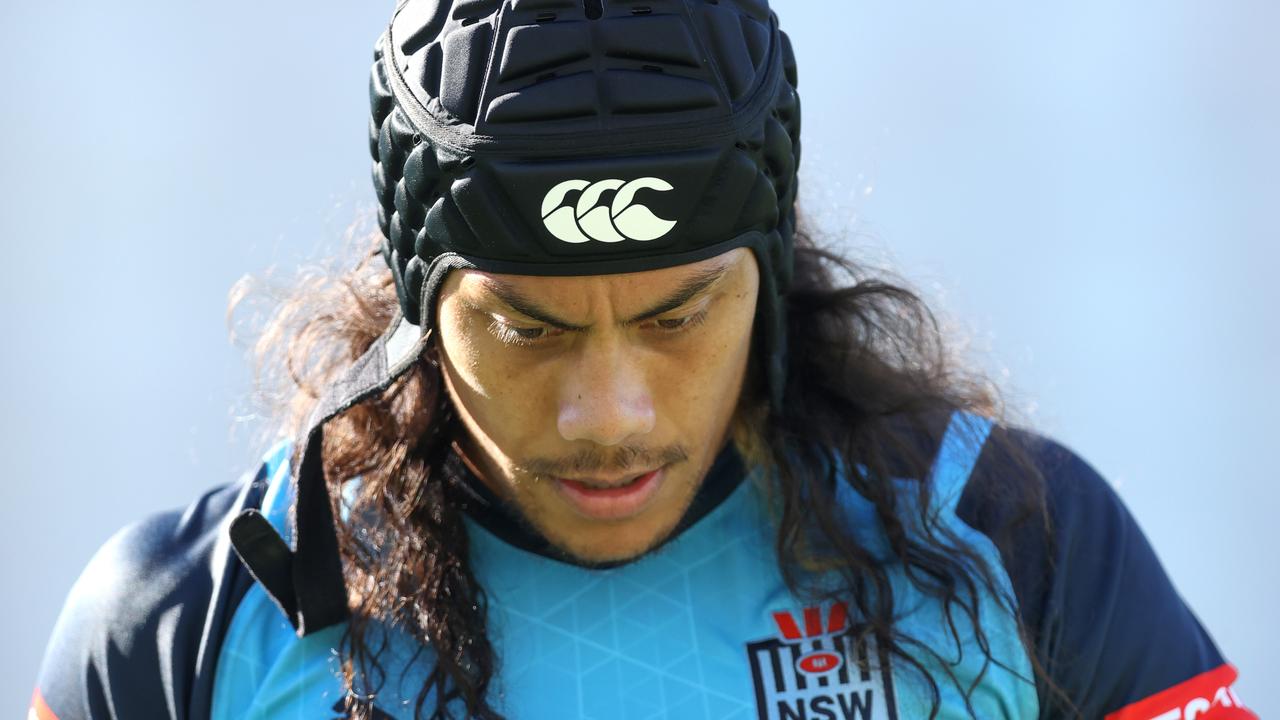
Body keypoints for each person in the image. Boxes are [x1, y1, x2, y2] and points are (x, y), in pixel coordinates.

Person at [30, 1, 1256, 719]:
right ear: (416, 292)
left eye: (676, 318)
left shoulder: (1019, 547)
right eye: (527, 326)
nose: (608, 413)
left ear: (766, 274)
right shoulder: (186, 634)